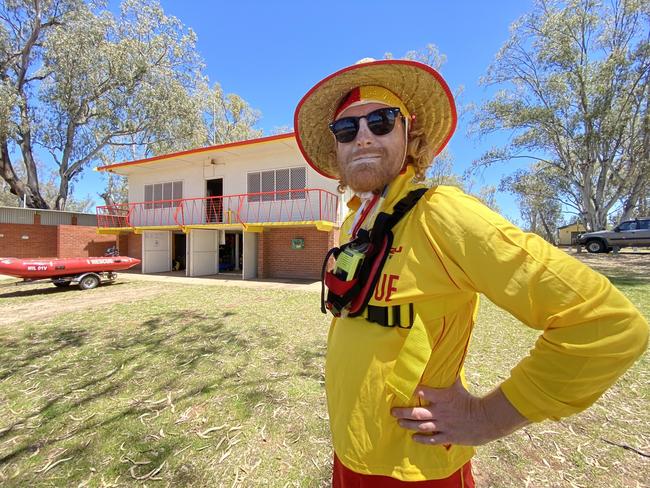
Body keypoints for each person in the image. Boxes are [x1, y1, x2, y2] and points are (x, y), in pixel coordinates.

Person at [293, 58, 648, 487]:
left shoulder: (440, 213)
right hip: (352, 453)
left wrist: (488, 416)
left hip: (414, 469)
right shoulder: (359, 222)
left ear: (411, 133)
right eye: (346, 130)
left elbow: (607, 322)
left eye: (382, 121)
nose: (363, 136)